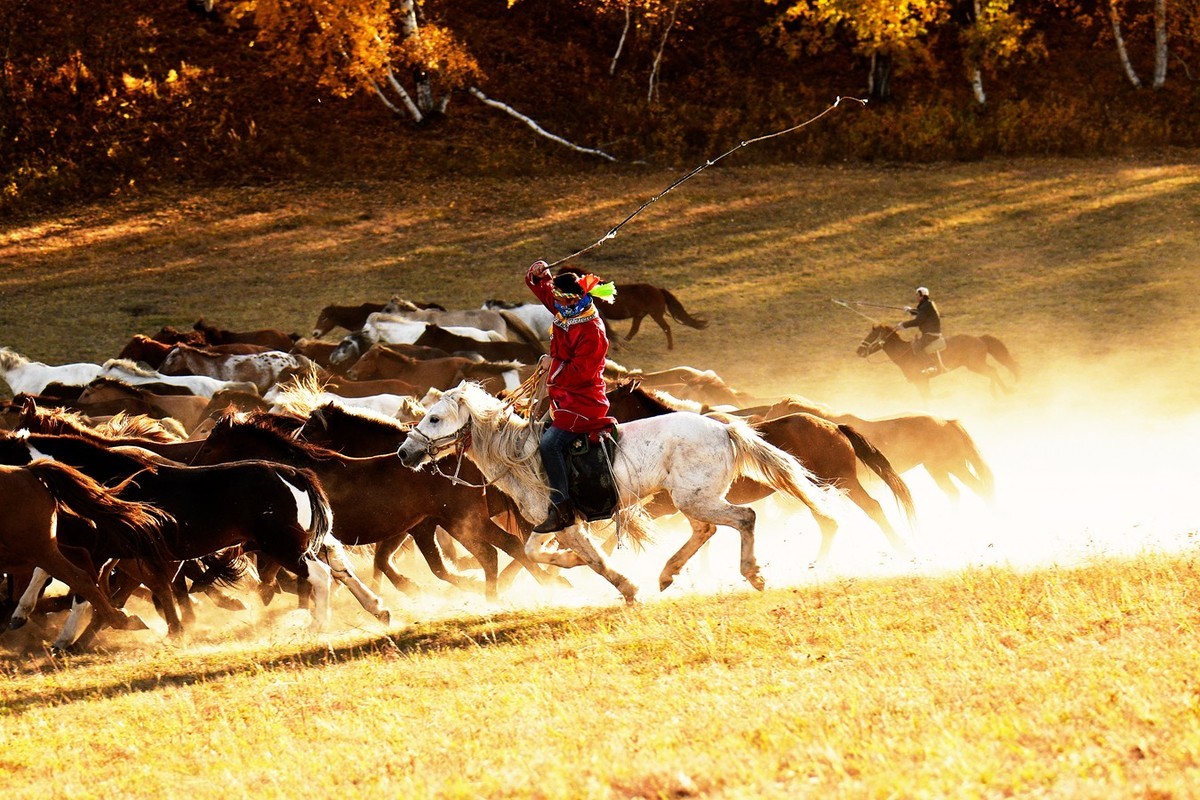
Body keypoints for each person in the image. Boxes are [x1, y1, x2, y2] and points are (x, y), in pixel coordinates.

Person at [525, 260, 617, 533]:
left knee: (550, 444)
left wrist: (549, 364)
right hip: (563, 399)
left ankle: (562, 507)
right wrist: (539, 275)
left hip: (584, 402)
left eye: (561, 302)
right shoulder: (568, 310)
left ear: (576, 298)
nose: (556, 306)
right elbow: (546, 293)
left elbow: (581, 372)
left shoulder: (592, 331)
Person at [898, 286, 945, 375]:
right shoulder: (927, 304)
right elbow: (921, 313)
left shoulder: (925, 305)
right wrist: (910, 310)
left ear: (921, 295)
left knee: (916, 347)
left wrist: (903, 325)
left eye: (917, 295)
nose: (916, 297)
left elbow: (919, 320)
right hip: (931, 333)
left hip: (930, 334)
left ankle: (931, 366)